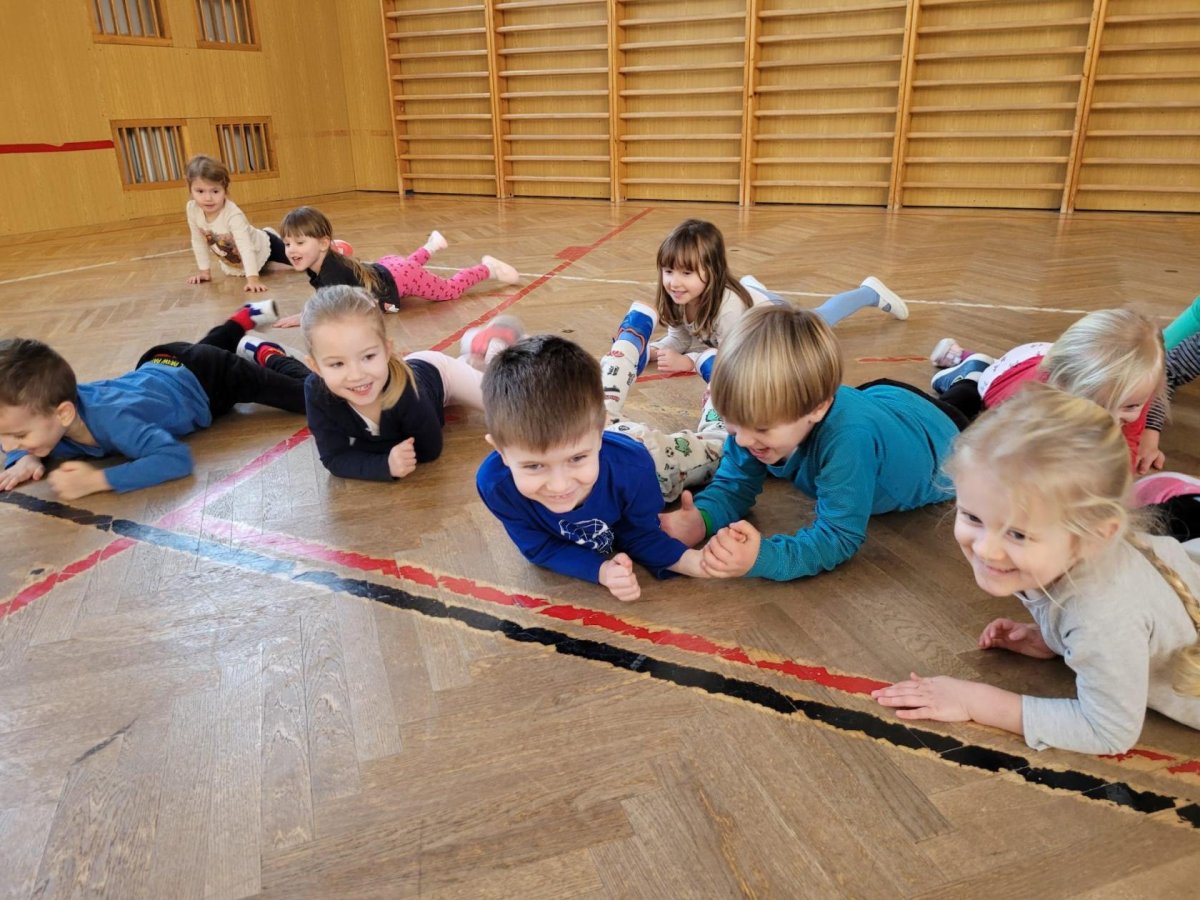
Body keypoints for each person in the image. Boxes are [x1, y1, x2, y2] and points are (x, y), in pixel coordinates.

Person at [872, 385, 1200, 755]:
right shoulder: (1072, 561)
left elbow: (1108, 731)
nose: (985, 549)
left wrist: (973, 701)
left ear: (1095, 535)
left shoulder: (1101, 615)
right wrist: (1055, 639)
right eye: (972, 517)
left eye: (1017, 534)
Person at [658, 304, 962, 581]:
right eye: (730, 421)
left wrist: (763, 557)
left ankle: (970, 376)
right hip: (881, 399)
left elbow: (839, 536)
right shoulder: (751, 421)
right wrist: (701, 518)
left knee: (968, 401)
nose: (743, 439)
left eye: (761, 428)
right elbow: (734, 485)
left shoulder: (848, 441)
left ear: (817, 408)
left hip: (941, 434)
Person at [477, 310, 724, 602]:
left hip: (655, 457)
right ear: (500, 451)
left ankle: (720, 378)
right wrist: (601, 570)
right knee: (605, 393)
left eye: (576, 460)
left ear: (600, 433)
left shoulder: (634, 468)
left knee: (720, 444)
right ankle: (632, 333)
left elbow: (641, 534)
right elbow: (540, 548)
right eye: (533, 466)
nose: (559, 485)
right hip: (591, 435)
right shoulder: (495, 484)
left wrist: (692, 562)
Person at [0, 301, 307, 499]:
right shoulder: (52, 410)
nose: (8, 445)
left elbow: (175, 459)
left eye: (19, 436)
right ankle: (242, 320)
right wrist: (23, 457)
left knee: (309, 397)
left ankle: (267, 354)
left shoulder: (113, 420)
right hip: (164, 362)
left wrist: (98, 480)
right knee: (201, 349)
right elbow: (18, 431)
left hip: (214, 378)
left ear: (65, 414)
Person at [300, 284, 521, 481]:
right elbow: (333, 458)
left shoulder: (404, 388)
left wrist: (372, 453)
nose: (356, 375)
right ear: (315, 367)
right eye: (337, 364)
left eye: (368, 356)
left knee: (512, 406)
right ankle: (472, 357)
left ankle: (495, 347)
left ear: (387, 350)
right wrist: (385, 464)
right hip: (426, 393)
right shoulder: (316, 391)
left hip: (440, 373)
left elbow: (430, 448)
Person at [649, 219, 908, 376]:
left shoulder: (727, 308)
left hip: (775, 321)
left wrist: (688, 362)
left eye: (686, 273)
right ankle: (753, 291)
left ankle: (870, 292)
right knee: (751, 302)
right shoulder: (680, 296)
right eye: (668, 271)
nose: (674, 282)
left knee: (820, 319)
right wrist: (653, 350)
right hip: (751, 310)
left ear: (713, 272)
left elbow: (731, 359)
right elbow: (681, 338)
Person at [929, 309, 1166, 472]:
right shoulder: (1026, 404)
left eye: (1130, 407)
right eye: (1099, 406)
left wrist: (1117, 476)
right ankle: (973, 368)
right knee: (971, 400)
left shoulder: (1130, 390)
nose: (1113, 420)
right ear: (1060, 386)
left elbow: (1128, 444)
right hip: (1003, 375)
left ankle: (968, 357)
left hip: (1067, 358)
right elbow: (1000, 457)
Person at [273, 206, 519, 326]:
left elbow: (337, 311)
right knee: (408, 267)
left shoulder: (332, 271)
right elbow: (326, 297)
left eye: (300, 243)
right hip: (388, 268)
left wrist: (306, 317)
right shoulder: (318, 262)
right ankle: (431, 246)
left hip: (399, 278)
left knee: (449, 291)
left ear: (324, 243)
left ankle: (488, 268)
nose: (291, 250)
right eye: (287, 243)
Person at [184, 155, 291, 292]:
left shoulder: (233, 215)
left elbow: (246, 247)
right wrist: (204, 272)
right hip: (238, 264)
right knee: (271, 268)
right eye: (200, 191)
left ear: (225, 189)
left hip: (262, 247)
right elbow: (198, 240)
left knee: (300, 260)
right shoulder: (192, 209)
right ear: (190, 189)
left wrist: (253, 280)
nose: (208, 198)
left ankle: (269, 234)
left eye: (215, 191)